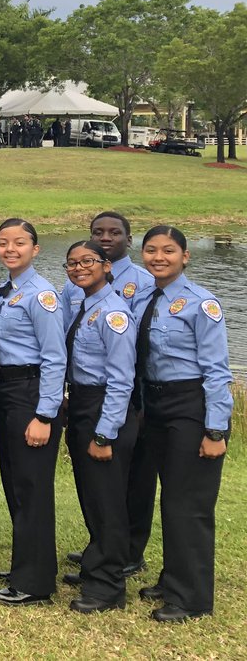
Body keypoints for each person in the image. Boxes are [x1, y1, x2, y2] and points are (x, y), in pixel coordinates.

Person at [136, 226, 232, 622]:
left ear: (185, 256)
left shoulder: (200, 304)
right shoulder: (144, 298)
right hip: (155, 405)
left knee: (187, 504)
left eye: (169, 251)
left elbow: (217, 372)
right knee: (169, 498)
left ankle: (191, 597)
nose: (159, 257)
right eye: (151, 250)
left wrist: (215, 431)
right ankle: (172, 577)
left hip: (190, 406)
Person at [62, 211, 157, 580]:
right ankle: (101, 549)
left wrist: (120, 417)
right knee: (97, 486)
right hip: (86, 395)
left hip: (118, 396)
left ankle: (120, 559)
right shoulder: (79, 288)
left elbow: (130, 360)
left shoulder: (136, 288)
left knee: (123, 483)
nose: (105, 237)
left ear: (126, 240)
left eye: (113, 232)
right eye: (97, 232)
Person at [0, 219, 66, 607]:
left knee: (32, 488)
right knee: (16, 483)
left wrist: (45, 415)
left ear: (36, 249)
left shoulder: (41, 295)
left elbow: (54, 358)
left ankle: (35, 583)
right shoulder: (6, 291)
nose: (10, 249)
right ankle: (25, 564)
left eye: (19, 243)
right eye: (3, 243)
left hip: (31, 394)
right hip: (7, 391)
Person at [61, 240, 137, 614]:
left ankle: (108, 586)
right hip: (82, 403)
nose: (79, 268)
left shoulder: (113, 313)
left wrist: (105, 433)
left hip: (104, 408)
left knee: (107, 501)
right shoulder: (82, 305)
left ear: (107, 266)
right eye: (72, 263)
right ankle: (96, 565)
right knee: (92, 495)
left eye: (88, 261)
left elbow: (122, 380)